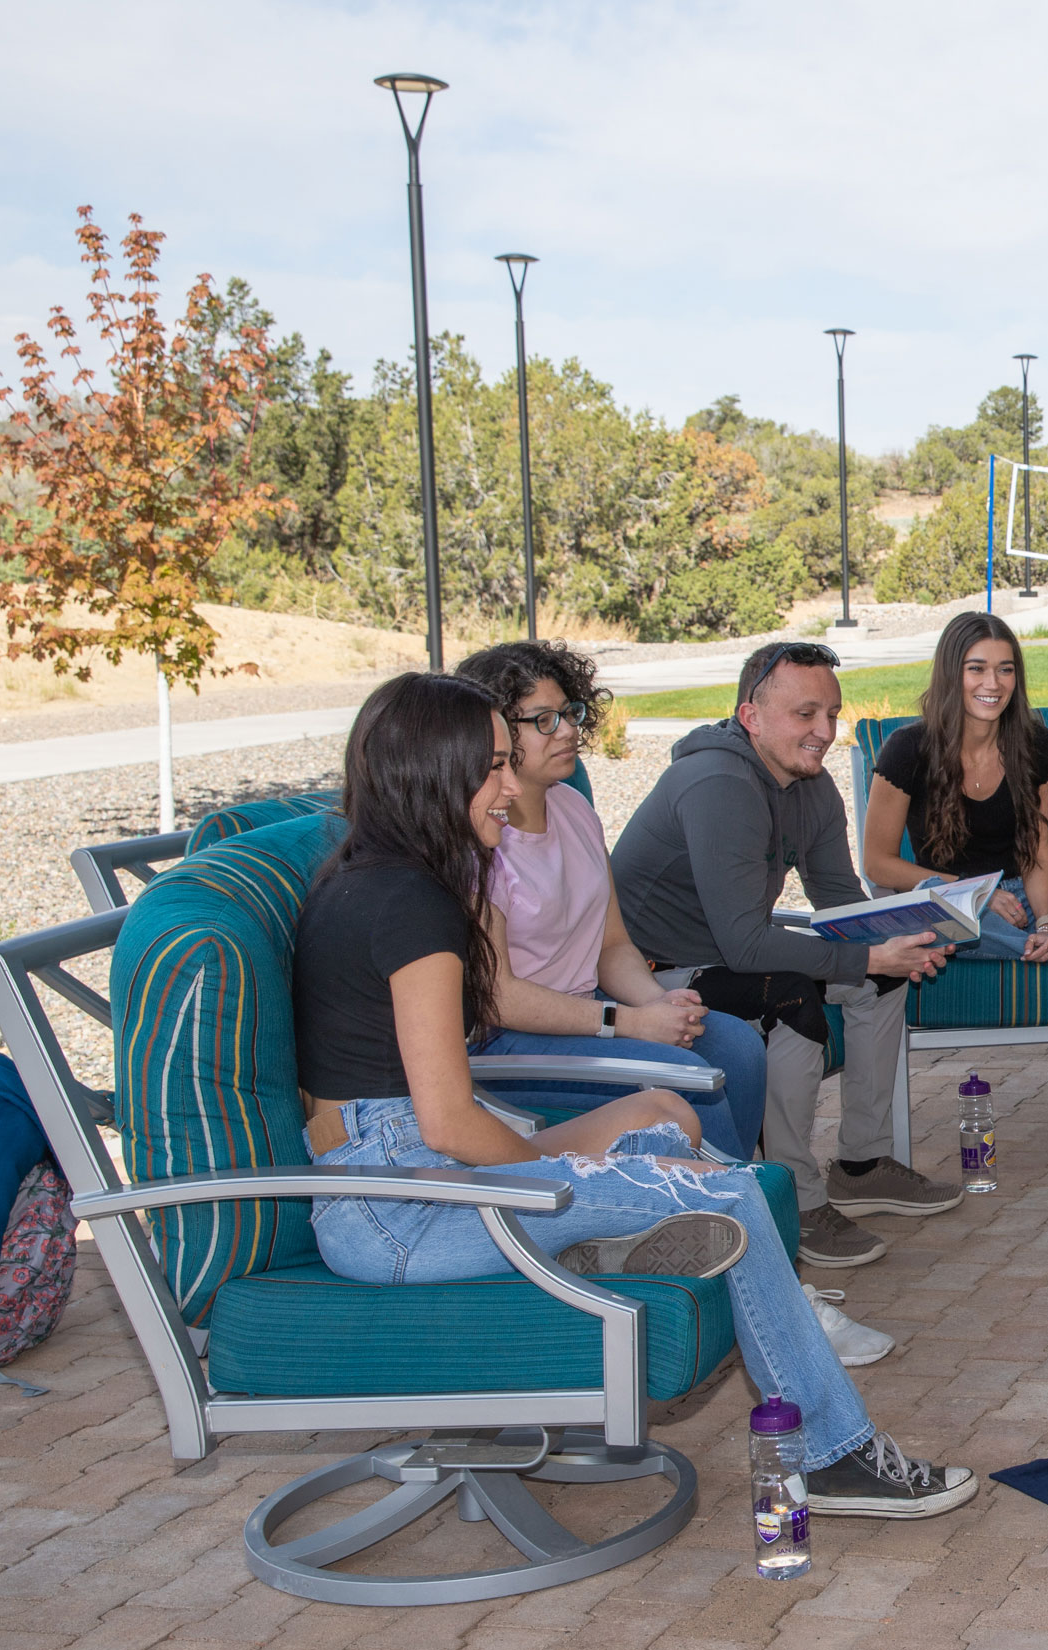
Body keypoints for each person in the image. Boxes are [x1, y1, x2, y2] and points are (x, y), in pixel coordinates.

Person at [294, 672, 975, 1518]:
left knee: (661, 1128)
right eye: (494, 766)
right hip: (405, 1205)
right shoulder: (410, 906)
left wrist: (577, 1166)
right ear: (433, 771)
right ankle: (832, 1452)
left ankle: (606, 1246)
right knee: (725, 1193)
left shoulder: (380, 877)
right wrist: (557, 1180)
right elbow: (449, 1121)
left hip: (396, 1179)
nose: (513, 787)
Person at [452, 641, 895, 1368]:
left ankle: (738, 1239)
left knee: (728, 1043)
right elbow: (495, 998)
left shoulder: (569, 808)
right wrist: (628, 1024)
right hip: (512, 1047)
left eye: (573, 712)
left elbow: (613, 946)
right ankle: (775, 1281)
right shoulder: (476, 837)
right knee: (693, 1071)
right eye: (544, 719)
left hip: (588, 1009)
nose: (569, 731)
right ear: (490, 735)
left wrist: (659, 1005)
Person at [610, 641, 960, 1269]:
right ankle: (791, 1197)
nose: (825, 732)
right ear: (751, 717)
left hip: (729, 950)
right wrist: (868, 957)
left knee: (883, 980)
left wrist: (898, 942)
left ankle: (861, 1161)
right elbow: (747, 943)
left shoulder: (811, 785)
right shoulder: (717, 782)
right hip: (655, 972)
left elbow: (839, 902)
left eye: (832, 713)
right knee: (795, 998)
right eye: (805, 715)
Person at [863, 612, 1048, 1179]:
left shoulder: (1034, 745)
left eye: (1005, 669)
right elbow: (877, 862)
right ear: (953, 673)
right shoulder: (909, 749)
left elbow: (1039, 852)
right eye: (976, 668)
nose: (991, 683)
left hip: (1029, 884)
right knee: (954, 921)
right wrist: (974, 890)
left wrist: (1046, 922)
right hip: (950, 897)